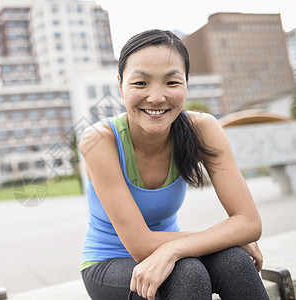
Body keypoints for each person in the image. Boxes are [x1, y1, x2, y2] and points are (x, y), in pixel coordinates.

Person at [79, 29, 268, 300]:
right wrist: (226, 235)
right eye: (140, 83)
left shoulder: (203, 128)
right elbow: (141, 246)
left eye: (172, 82)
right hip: (109, 264)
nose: (156, 97)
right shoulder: (98, 140)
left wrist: (173, 249)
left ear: (186, 84)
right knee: (187, 272)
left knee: (234, 261)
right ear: (120, 85)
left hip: (177, 253)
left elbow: (249, 223)